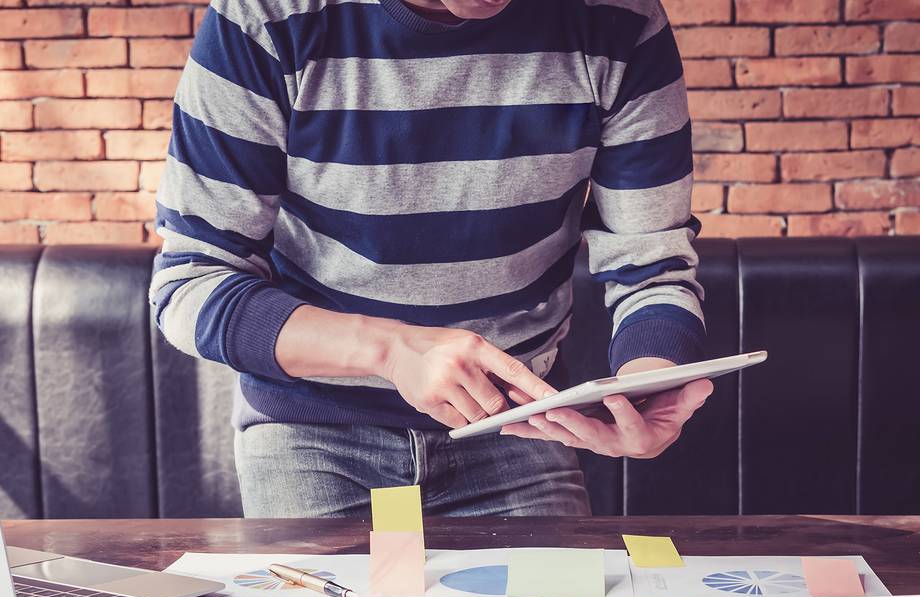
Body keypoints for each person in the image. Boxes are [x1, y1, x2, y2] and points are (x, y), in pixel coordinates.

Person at [149, 0, 714, 518]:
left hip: (521, 430)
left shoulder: (620, 21)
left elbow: (652, 261)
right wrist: (391, 349)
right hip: (311, 435)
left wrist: (650, 381)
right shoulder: (264, 18)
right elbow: (190, 284)